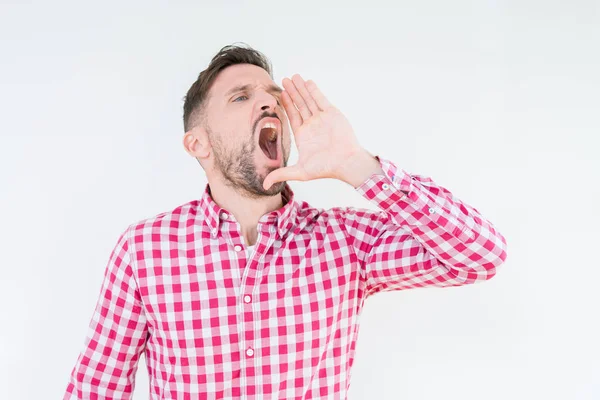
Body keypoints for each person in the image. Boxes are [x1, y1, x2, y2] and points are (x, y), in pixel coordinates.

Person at [64, 44, 507, 399]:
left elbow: (480, 257)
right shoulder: (145, 249)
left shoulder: (347, 240)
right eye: (241, 98)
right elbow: (96, 388)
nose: (267, 104)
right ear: (198, 144)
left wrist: (356, 165)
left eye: (273, 97)